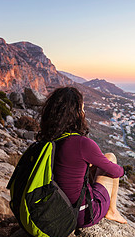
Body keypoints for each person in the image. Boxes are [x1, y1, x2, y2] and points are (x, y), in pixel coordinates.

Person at [37, 86, 127, 227]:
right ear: (75, 113)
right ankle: (112, 211)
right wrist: (123, 170)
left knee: (89, 166)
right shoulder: (81, 143)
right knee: (110, 158)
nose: (84, 113)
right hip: (79, 215)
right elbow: (115, 172)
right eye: (82, 109)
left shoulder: (48, 139)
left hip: (56, 208)